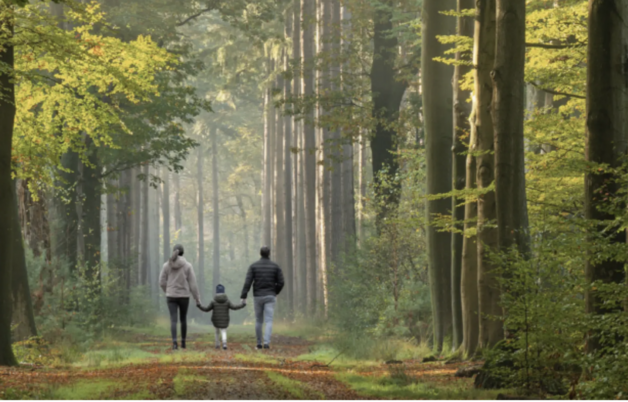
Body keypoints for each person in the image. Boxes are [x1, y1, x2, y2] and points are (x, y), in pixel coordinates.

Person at [240, 246, 284, 349]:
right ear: (269, 254)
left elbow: (248, 282)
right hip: (270, 296)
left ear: (260, 253)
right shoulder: (275, 267)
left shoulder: (253, 266)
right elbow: (281, 282)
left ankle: (259, 343)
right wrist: (275, 292)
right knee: (269, 320)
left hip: (258, 296)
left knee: (259, 320)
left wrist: (244, 296)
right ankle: (267, 343)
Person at [159, 244, 201, 350]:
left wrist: (167, 290)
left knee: (173, 320)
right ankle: (183, 343)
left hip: (171, 296)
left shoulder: (166, 265)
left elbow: (161, 282)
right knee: (183, 319)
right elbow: (193, 284)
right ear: (183, 253)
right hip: (184, 296)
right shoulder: (188, 266)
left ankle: (174, 344)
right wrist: (197, 298)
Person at [197, 284, 246, 350]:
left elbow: (206, 309)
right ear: (224, 292)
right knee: (223, 331)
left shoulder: (213, 301)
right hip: (225, 319)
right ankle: (224, 344)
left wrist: (199, 305)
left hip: (216, 319)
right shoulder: (227, 301)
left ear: (216, 292)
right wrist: (242, 305)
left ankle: (217, 345)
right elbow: (234, 307)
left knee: (217, 332)